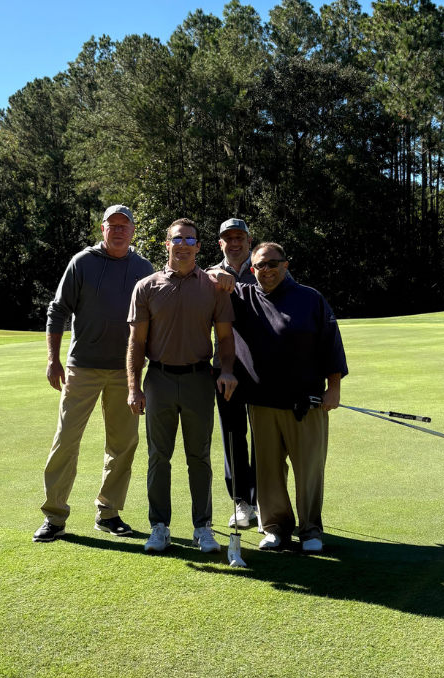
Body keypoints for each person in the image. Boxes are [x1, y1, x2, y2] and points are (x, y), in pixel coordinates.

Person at [216, 242, 348, 553]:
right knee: (268, 472)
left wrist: (334, 388)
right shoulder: (243, 296)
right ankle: (275, 529)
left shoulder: (310, 298)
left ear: (286, 265)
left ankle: (311, 530)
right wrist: (216, 273)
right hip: (262, 403)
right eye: (260, 265)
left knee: (309, 471)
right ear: (252, 269)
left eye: (273, 263)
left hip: (307, 403)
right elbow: (206, 277)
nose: (267, 270)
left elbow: (331, 344)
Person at [33, 205, 154, 542]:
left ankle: (109, 512)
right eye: (111, 225)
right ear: (102, 229)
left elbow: (152, 319)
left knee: (124, 443)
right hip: (82, 367)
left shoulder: (143, 268)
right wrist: (52, 360)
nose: (118, 231)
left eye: (124, 226)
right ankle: (55, 517)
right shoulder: (82, 263)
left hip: (125, 372)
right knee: (66, 440)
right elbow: (57, 311)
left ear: (132, 231)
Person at [126, 218, 238, 554]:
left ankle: (202, 528)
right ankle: (159, 526)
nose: (184, 245)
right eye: (178, 239)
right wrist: (134, 386)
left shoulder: (214, 286)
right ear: (167, 244)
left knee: (199, 457)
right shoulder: (146, 286)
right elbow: (136, 341)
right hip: (158, 378)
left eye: (190, 240)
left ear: (199, 247)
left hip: (199, 379)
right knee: (158, 456)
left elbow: (225, 337)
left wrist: (227, 369)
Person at [208, 218, 259, 530]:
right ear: (220, 244)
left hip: (264, 369)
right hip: (225, 367)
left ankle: (264, 500)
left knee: (266, 438)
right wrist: (214, 275)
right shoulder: (210, 275)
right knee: (232, 436)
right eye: (229, 238)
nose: (235, 243)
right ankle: (242, 502)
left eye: (240, 237)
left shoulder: (268, 265)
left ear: (249, 241)